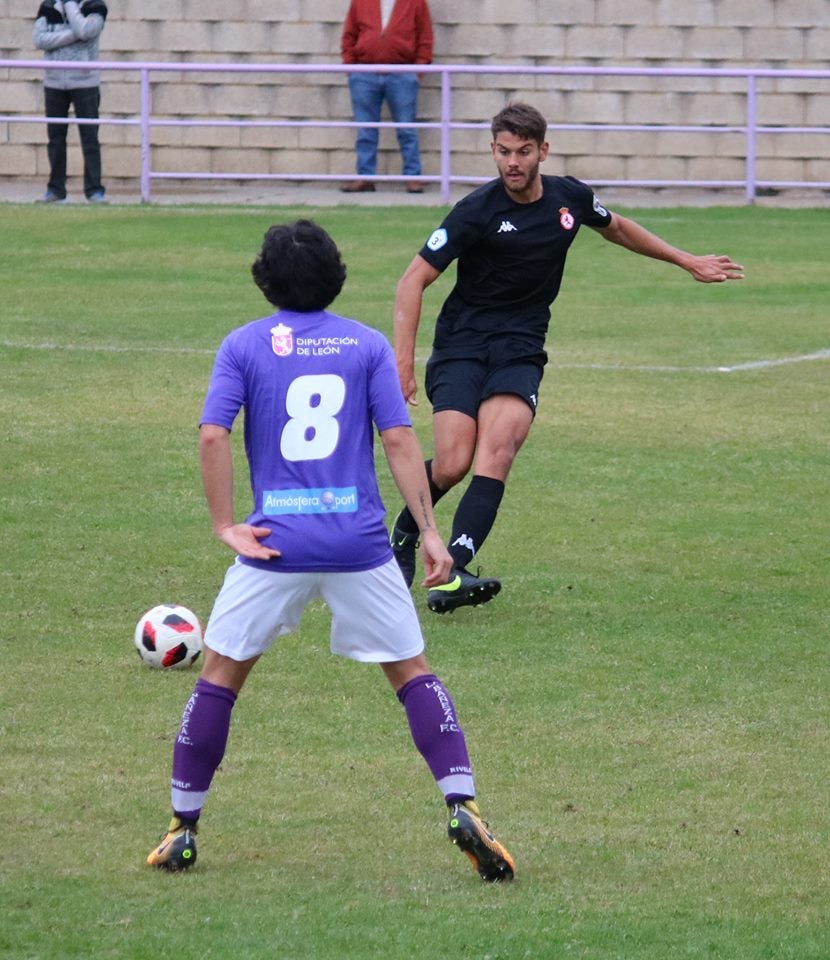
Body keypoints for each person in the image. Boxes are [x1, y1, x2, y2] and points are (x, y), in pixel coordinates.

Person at [145, 220, 515, 883]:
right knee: (414, 675)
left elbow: (211, 436)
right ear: (336, 274)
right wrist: (430, 533)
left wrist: (226, 526)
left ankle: (182, 827)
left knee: (220, 679)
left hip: (273, 547)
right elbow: (401, 443)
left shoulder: (243, 346)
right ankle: (463, 802)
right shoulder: (366, 345)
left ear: (264, 279)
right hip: (359, 546)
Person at [389, 101, 745, 614]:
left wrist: (684, 260)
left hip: (520, 347)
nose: (512, 162)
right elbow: (412, 279)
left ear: (543, 151)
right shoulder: (476, 211)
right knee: (452, 462)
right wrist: (402, 363)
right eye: (503, 152)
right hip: (462, 344)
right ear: (493, 151)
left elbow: (617, 227)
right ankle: (403, 534)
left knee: (499, 450)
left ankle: (456, 570)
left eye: (523, 152)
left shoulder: (568, 198)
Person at [340, 0, 433, 194]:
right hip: (365, 73)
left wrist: (418, 70)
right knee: (365, 130)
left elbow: (425, 36)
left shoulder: (415, 2)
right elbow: (349, 33)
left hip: (402, 73)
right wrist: (351, 67)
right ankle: (366, 177)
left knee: (407, 128)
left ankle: (412, 177)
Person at [33, 0, 108, 203]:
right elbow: (39, 40)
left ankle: (94, 190)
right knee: (55, 140)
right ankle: (56, 190)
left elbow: (87, 29)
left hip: (85, 82)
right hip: (54, 82)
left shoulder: (96, 6)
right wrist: (76, 35)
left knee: (90, 138)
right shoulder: (48, 6)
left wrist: (69, 6)